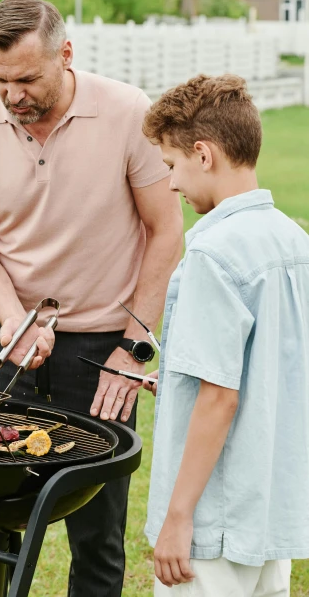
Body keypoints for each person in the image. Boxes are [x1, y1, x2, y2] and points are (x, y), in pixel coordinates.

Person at [0, 0, 183, 597]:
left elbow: (165, 232)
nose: (12, 95)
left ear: (66, 55)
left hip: (104, 349)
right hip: (9, 341)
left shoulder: (129, 112)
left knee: (98, 538)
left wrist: (134, 351)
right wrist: (13, 317)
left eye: (26, 78)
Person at [141, 74, 309, 597]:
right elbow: (273, 369)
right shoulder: (294, 240)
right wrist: (173, 381)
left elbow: (219, 398)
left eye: (171, 166)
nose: (170, 184)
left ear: (204, 153)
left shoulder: (213, 254)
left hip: (214, 523)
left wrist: (178, 518)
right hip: (269, 516)